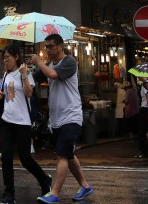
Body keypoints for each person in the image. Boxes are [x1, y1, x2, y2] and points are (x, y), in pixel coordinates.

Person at [31, 33, 94, 204]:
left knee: (62, 155)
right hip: (56, 118)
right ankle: (85, 186)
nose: (48, 50)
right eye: (46, 47)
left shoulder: (69, 62)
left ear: (60, 46)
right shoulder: (50, 64)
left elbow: (51, 75)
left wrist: (39, 62)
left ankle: (55, 193)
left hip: (71, 116)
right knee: (68, 154)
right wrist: (22, 73)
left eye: (50, 46)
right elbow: (35, 78)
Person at [0, 44, 52, 204]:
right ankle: (9, 194)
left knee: (25, 159)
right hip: (7, 120)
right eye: (4, 57)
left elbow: (29, 93)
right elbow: (9, 94)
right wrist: (1, 94)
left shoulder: (25, 73)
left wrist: (24, 75)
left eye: (8, 57)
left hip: (22, 122)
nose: (5, 60)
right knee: (6, 157)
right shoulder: (5, 74)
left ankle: (44, 180)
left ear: (16, 57)